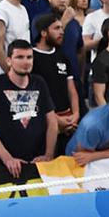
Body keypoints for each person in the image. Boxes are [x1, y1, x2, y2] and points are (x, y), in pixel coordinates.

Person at [0, 39, 57, 178]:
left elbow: (52, 122)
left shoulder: (39, 82)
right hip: (5, 166)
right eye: (19, 57)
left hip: (38, 163)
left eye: (29, 57)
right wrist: (8, 159)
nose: (26, 62)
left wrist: (48, 155)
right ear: (9, 60)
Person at [31, 13, 81, 155]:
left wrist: (75, 114)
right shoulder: (31, 57)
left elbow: (71, 89)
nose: (62, 31)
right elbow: (32, 94)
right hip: (43, 121)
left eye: (61, 28)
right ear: (43, 33)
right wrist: (56, 119)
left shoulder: (62, 56)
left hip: (68, 121)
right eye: (57, 28)